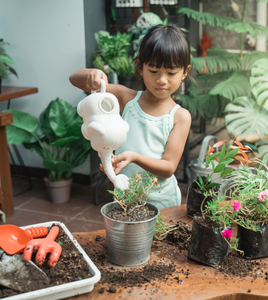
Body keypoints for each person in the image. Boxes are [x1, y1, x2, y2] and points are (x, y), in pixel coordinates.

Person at [69, 24, 192, 210]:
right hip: (126, 198)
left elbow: (168, 168)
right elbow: (74, 80)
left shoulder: (180, 116)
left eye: (171, 72)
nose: (162, 79)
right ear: (140, 67)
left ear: (185, 72)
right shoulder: (126, 98)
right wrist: (92, 74)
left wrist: (133, 157)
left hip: (163, 204)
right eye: (154, 70)